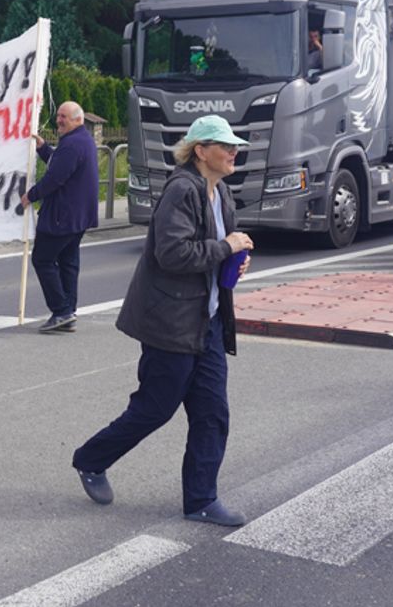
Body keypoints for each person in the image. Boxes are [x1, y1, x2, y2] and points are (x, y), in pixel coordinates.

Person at [71, 114, 254, 526]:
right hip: (170, 322)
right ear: (201, 151)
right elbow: (173, 254)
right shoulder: (182, 190)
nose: (233, 152)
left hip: (206, 322)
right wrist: (225, 247)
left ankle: (201, 500)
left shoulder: (219, 191)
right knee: (155, 408)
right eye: (225, 146)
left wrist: (234, 259)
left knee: (212, 414)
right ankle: (90, 459)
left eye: (234, 145)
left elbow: (218, 248)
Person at [20, 101, 99, 333]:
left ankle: (61, 310)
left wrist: (30, 196)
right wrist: (44, 148)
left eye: (64, 117)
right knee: (68, 262)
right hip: (78, 216)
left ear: (78, 119)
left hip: (62, 216)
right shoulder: (81, 141)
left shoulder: (73, 144)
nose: (59, 120)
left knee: (42, 260)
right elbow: (61, 164)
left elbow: (55, 177)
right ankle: (68, 312)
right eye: (58, 116)